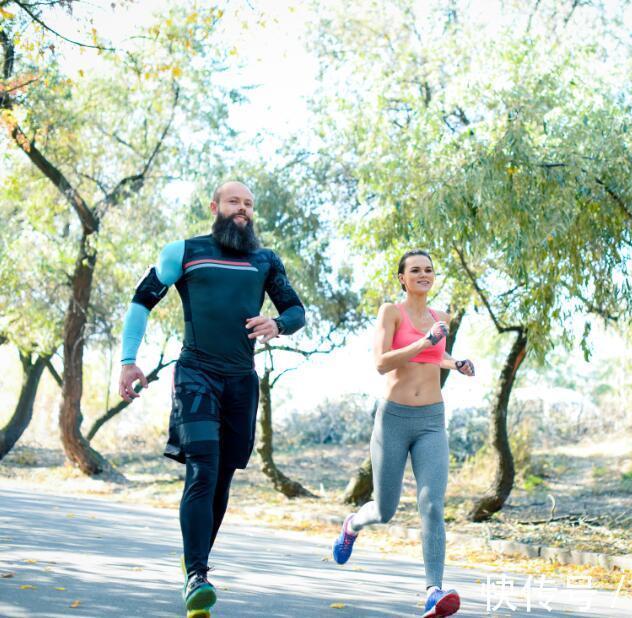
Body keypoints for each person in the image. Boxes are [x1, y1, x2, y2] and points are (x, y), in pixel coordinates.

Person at [117, 181, 305, 618]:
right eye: (235, 202)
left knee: (221, 477)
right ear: (215, 206)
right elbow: (142, 301)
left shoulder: (264, 260)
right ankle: (197, 576)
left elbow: (296, 310)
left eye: (249, 204)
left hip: (241, 381)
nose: (243, 209)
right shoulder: (183, 251)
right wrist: (129, 361)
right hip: (196, 374)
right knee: (202, 469)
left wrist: (278, 324)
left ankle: (194, 563)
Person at [332, 249, 475, 617]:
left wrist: (453, 362)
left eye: (429, 269)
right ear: (402, 277)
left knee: (431, 503)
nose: (424, 274)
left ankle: (434, 591)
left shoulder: (441, 317)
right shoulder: (390, 312)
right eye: (416, 270)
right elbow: (382, 362)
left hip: (432, 420)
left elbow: (431, 358)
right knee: (384, 508)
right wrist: (425, 341)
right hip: (393, 418)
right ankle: (352, 524)